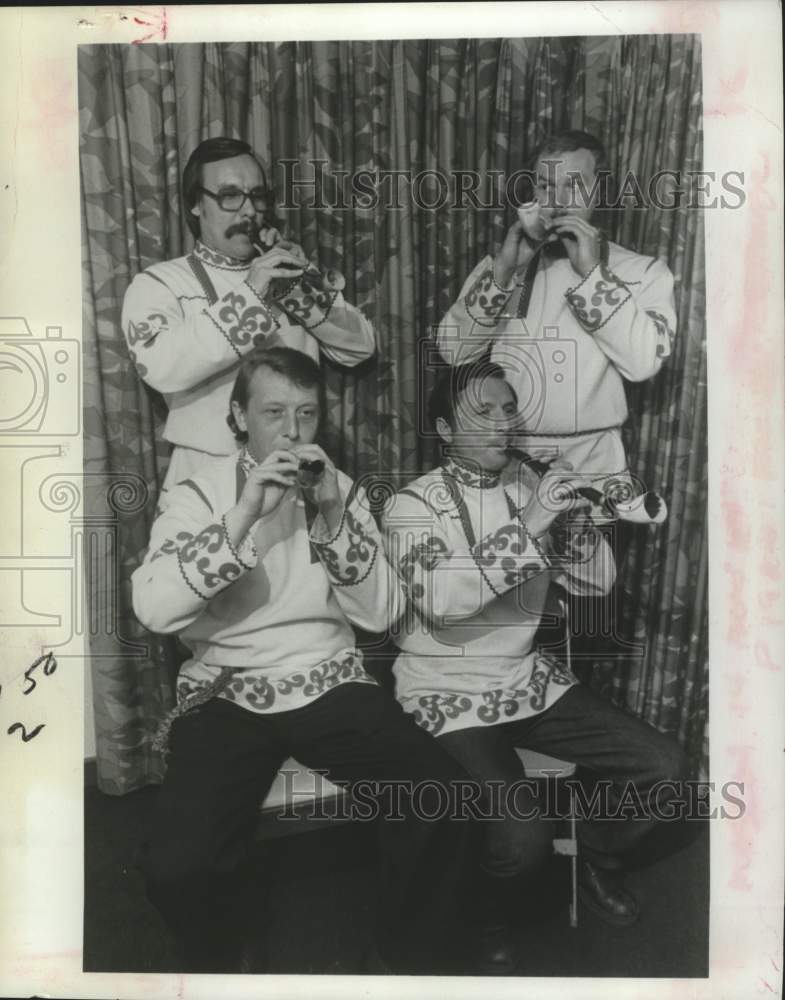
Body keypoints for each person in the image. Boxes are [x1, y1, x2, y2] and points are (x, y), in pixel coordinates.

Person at [131, 346, 477, 975]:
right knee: (175, 867)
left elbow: (379, 614)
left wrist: (333, 513)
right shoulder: (197, 491)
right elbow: (153, 609)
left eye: (307, 413)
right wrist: (244, 514)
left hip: (328, 680)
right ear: (239, 417)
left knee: (442, 797)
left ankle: (404, 960)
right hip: (227, 690)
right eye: (273, 413)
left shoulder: (337, 487)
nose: (292, 432)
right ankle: (227, 951)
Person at [380, 360, 687, 974]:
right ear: (444, 427)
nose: (502, 424)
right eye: (481, 413)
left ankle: (593, 855)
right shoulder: (409, 506)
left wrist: (581, 523)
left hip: (524, 680)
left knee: (666, 766)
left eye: (507, 410)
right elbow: (443, 603)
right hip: (447, 689)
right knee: (523, 840)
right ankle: (489, 915)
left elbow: (597, 587)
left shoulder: (529, 485)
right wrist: (539, 521)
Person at [122, 136, 375, 491]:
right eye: (229, 196)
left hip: (295, 469)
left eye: (257, 196)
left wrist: (300, 289)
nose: (249, 211)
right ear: (196, 204)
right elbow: (160, 367)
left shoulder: (286, 273)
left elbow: (360, 348)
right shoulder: (160, 282)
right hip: (206, 477)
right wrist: (252, 294)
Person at [435, 129, 677, 499]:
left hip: (593, 464)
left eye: (574, 186)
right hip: (510, 459)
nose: (558, 202)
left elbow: (643, 364)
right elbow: (453, 352)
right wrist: (502, 274)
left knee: (590, 558)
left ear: (601, 191)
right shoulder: (504, 265)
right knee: (509, 557)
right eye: (546, 186)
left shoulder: (642, 272)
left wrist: (593, 275)